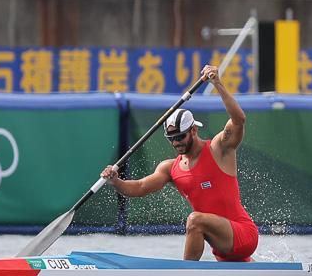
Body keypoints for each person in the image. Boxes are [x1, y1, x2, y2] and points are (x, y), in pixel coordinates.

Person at [101, 64, 258, 261]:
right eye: (171, 138)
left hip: (243, 234)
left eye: (180, 137)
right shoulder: (170, 168)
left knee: (195, 220)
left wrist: (217, 83)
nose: (176, 143)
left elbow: (238, 120)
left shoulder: (219, 148)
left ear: (193, 130)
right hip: (222, 247)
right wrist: (116, 181)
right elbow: (139, 187)